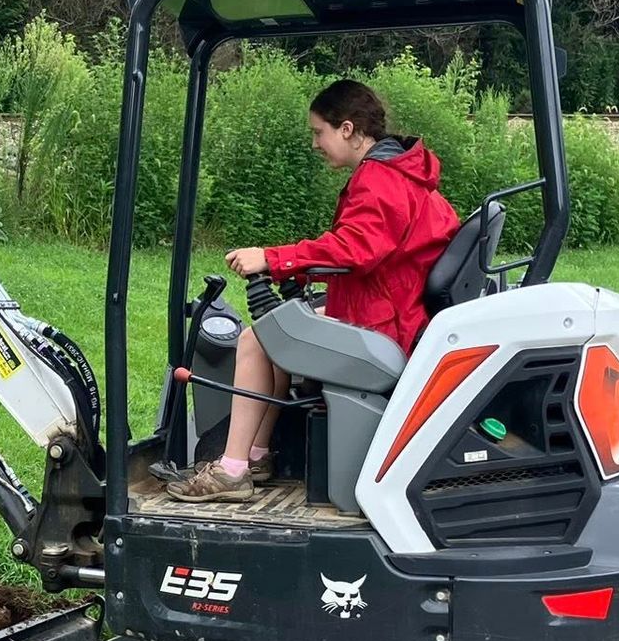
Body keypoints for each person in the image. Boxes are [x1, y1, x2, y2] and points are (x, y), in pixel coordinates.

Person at [166, 78, 463, 503]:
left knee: (257, 338)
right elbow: (372, 252)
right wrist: (303, 273)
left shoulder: (380, 179)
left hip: (388, 328)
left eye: (317, 132)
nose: (315, 143)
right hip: (392, 311)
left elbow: (356, 249)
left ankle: (231, 472)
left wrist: (273, 258)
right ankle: (255, 454)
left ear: (346, 128)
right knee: (283, 331)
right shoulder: (402, 173)